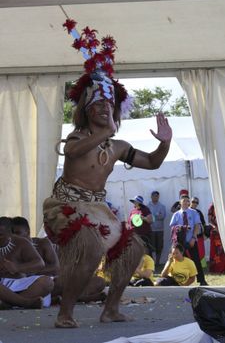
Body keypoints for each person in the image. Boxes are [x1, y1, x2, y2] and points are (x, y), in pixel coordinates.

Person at [43, 19, 172, 328]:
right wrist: (107, 132)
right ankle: (65, 313)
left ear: (115, 109)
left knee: (133, 248)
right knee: (87, 248)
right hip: (66, 207)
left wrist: (165, 145)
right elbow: (72, 153)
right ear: (85, 108)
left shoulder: (117, 146)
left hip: (97, 208)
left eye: (109, 103)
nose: (104, 107)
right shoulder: (77, 137)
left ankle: (111, 308)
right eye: (97, 103)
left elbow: (152, 162)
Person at [0, 216, 54, 309]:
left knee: (47, 282)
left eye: (0, 234)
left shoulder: (21, 242)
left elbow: (39, 263)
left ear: (10, 233)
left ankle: (8, 304)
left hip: (20, 284)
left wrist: (17, 267)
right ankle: (25, 303)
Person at [170, 196, 208, 286]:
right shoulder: (176, 214)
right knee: (178, 260)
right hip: (180, 242)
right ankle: (177, 279)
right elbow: (172, 227)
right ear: (180, 202)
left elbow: (197, 226)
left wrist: (194, 238)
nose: (186, 202)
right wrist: (180, 228)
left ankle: (202, 281)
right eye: (184, 201)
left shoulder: (194, 213)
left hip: (191, 240)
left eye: (188, 201)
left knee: (196, 260)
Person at [208, 204, 225, 274]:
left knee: (224, 249)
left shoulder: (224, 205)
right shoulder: (212, 207)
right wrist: (214, 227)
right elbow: (209, 221)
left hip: (224, 231)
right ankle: (216, 268)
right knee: (216, 251)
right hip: (215, 232)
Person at [147, 191, 166, 266]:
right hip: (151, 229)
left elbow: (163, 216)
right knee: (151, 246)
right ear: (151, 197)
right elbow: (147, 217)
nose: (156, 197)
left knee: (159, 246)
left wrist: (153, 217)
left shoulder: (162, 206)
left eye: (157, 196)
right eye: (154, 196)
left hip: (160, 229)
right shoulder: (147, 206)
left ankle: (157, 262)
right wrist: (157, 215)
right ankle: (152, 262)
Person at [190, 197, 207, 269]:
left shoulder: (199, 212)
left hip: (198, 235)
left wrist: (205, 234)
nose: (195, 204)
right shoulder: (186, 211)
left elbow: (203, 224)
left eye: (196, 202)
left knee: (200, 251)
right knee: (190, 252)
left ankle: (201, 266)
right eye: (193, 202)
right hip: (189, 235)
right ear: (190, 202)